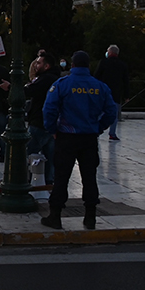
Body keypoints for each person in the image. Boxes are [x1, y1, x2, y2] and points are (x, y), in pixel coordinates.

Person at [41, 51, 116, 230]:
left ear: (72, 65)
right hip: (89, 137)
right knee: (89, 177)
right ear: (88, 66)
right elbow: (111, 112)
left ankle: (55, 215)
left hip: (66, 137)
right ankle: (90, 217)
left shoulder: (63, 84)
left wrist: (52, 129)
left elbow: (49, 109)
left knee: (61, 177)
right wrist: (98, 128)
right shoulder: (100, 86)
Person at [24, 51, 60, 185]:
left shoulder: (46, 79)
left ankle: (25, 180)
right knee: (50, 155)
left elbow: (30, 90)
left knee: (28, 150)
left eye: (38, 63)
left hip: (40, 122)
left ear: (46, 66)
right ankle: (49, 182)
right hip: (51, 123)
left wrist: (11, 87)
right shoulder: (54, 78)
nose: (35, 65)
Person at [94, 44, 129, 141]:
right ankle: (112, 133)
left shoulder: (103, 63)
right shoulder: (122, 65)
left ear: (109, 53)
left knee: (100, 112)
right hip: (116, 93)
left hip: (103, 92)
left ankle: (96, 131)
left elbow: (96, 77)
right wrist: (126, 95)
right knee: (114, 114)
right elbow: (126, 81)